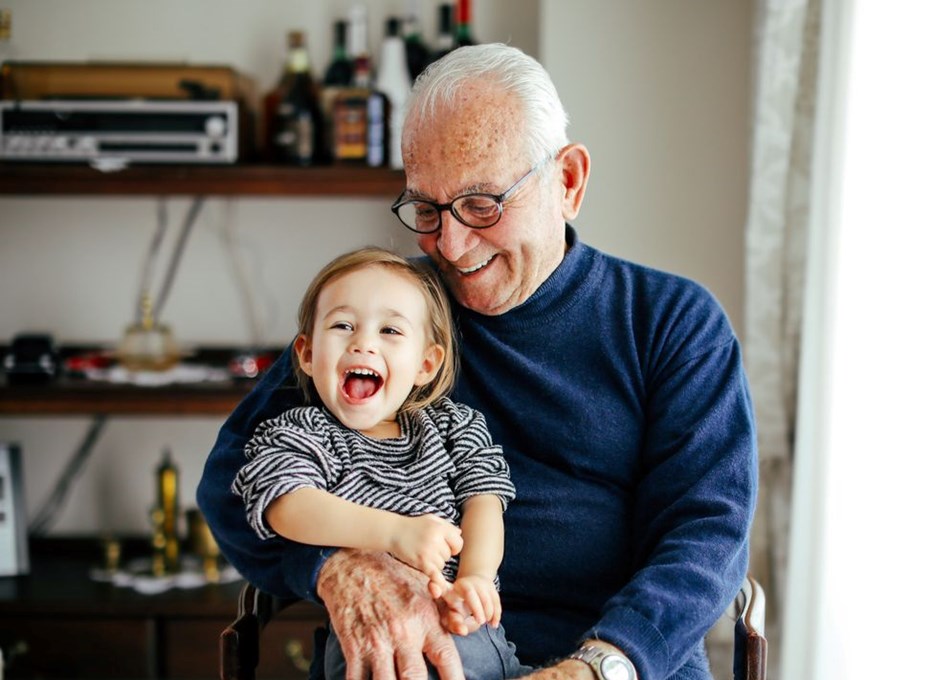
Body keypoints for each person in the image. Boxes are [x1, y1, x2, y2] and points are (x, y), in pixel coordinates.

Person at [199, 43, 758, 680]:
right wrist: (335, 564)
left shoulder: (671, 321)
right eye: (427, 210)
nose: (453, 246)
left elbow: (706, 535)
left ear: (568, 181)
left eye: (482, 204)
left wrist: (596, 667)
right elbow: (234, 478)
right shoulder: (390, 314)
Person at [230, 248, 528, 680]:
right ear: (308, 354)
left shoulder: (453, 426)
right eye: (342, 325)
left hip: (465, 628)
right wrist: (394, 532)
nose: (363, 342)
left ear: (427, 363)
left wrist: (477, 576)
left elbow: (485, 500)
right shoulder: (303, 431)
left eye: (390, 330)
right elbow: (286, 505)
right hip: (369, 641)